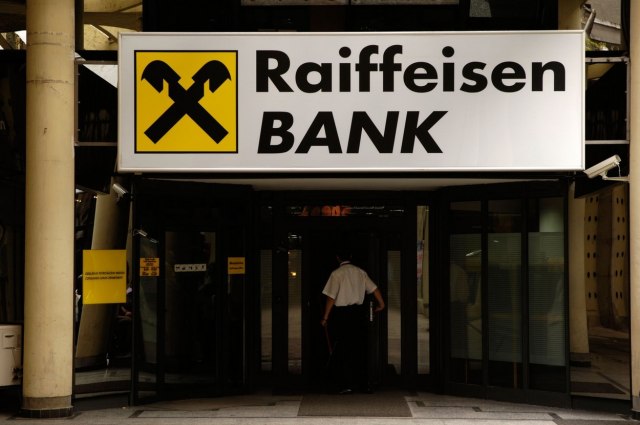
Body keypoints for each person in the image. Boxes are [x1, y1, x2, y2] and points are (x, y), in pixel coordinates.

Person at [320, 249, 385, 394]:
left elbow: (331, 297)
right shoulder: (360, 272)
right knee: (359, 346)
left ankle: (345, 383)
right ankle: (362, 383)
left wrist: (325, 317)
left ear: (337, 257)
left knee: (343, 347)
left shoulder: (336, 274)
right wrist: (381, 304)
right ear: (350, 256)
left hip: (342, 315)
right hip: (358, 314)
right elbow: (374, 289)